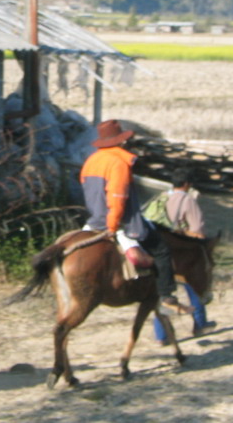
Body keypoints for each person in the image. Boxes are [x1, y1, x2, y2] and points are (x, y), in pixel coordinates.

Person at [80, 119, 193, 316]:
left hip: (93, 220)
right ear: (120, 142)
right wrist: (113, 227)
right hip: (117, 222)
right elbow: (117, 198)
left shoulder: (91, 162)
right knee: (161, 250)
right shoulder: (118, 163)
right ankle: (167, 296)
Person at [152, 167, 217, 341]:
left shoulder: (162, 197)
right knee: (195, 287)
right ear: (187, 184)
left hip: (160, 250)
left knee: (162, 294)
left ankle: (162, 334)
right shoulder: (187, 200)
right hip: (182, 252)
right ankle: (200, 324)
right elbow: (197, 230)